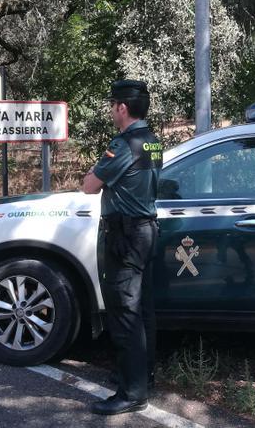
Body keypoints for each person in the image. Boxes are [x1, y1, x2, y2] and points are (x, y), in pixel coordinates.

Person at [81, 79, 162, 416]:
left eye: (113, 104)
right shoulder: (154, 141)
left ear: (122, 108)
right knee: (142, 310)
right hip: (145, 232)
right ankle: (143, 376)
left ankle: (132, 392)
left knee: (124, 313)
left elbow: (89, 185)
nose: (112, 110)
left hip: (125, 237)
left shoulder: (125, 143)